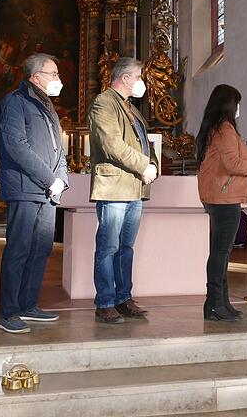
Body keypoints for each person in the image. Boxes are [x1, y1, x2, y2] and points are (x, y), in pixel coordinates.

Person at [0, 53, 69, 334]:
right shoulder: (14, 103)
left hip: (47, 191)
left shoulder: (48, 108)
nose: (58, 80)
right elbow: (17, 146)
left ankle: (28, 304)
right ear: (36, 77)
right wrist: (50, 179)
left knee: (41, 250)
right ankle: (8, 312)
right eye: (54, 74)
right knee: (19, 249)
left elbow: (59, 150)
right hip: (25, 188)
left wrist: (61, 178)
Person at [88, 57, 158, 324]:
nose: (142, 82)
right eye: (139, 77)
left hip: (134, 188)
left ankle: (123, 297)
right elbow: (111, 145)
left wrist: (152, 164)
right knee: (108, 247)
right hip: (114, 187)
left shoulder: (130, 108)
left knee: (126, 247)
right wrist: (144, 165)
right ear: (126, 78)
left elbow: (144, 143)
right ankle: (105, 301)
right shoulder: (103, 103)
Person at [196, 84, 247, 322]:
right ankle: (213, 304)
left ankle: (222, 302)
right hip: (225, 197)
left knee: (221, 252)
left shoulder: (218, 128)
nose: (239, 108)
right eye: (237, 103)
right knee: (221, 253)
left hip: (221, 196)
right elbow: (232, 163)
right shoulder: (225, 128)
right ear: (230, 104)